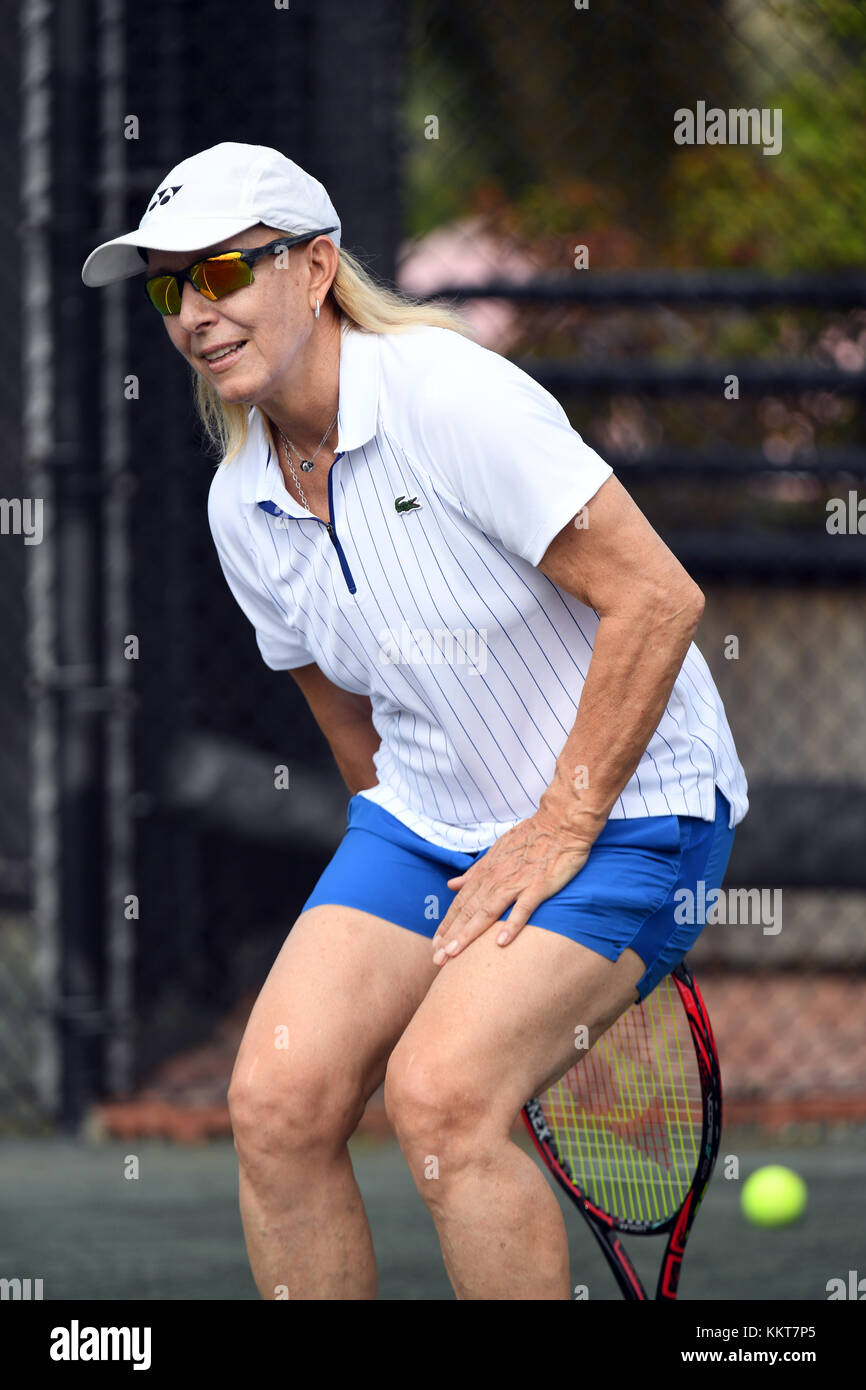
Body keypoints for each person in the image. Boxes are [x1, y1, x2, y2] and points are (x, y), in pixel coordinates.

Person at [82, 141, 748, 1301]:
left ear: (316, 265)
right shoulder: (237, 500)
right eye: (169, 286)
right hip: (431, 824)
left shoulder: (451, 396)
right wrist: (409, 900)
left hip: (637, 811)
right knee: (277, 1104)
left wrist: (551, 829)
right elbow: (353, 732)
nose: (195, 312)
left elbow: (657, 597)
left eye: (226, 272)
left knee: (441, 1098)